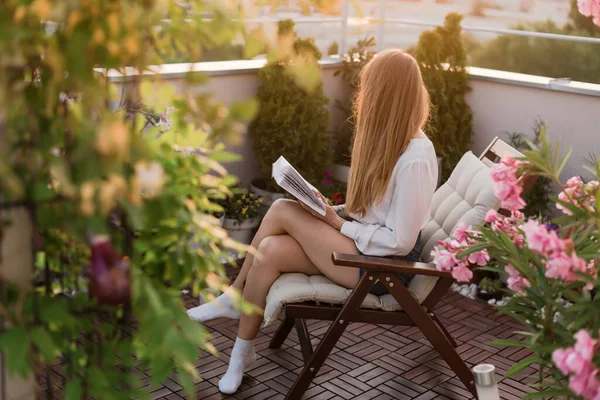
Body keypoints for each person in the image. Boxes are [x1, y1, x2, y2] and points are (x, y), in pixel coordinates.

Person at [186, 49, 439, 394]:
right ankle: (241, 354)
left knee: (280, 211)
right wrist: (330, 208)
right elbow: (378, 213)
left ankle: (234, 294)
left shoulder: (415, 159)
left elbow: (402, 241)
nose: (362, 97)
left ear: (385, 95)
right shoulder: (393, 143)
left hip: (385, 269)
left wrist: (338, 224)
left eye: (369, 89)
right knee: (271, 250)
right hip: (365, 248)